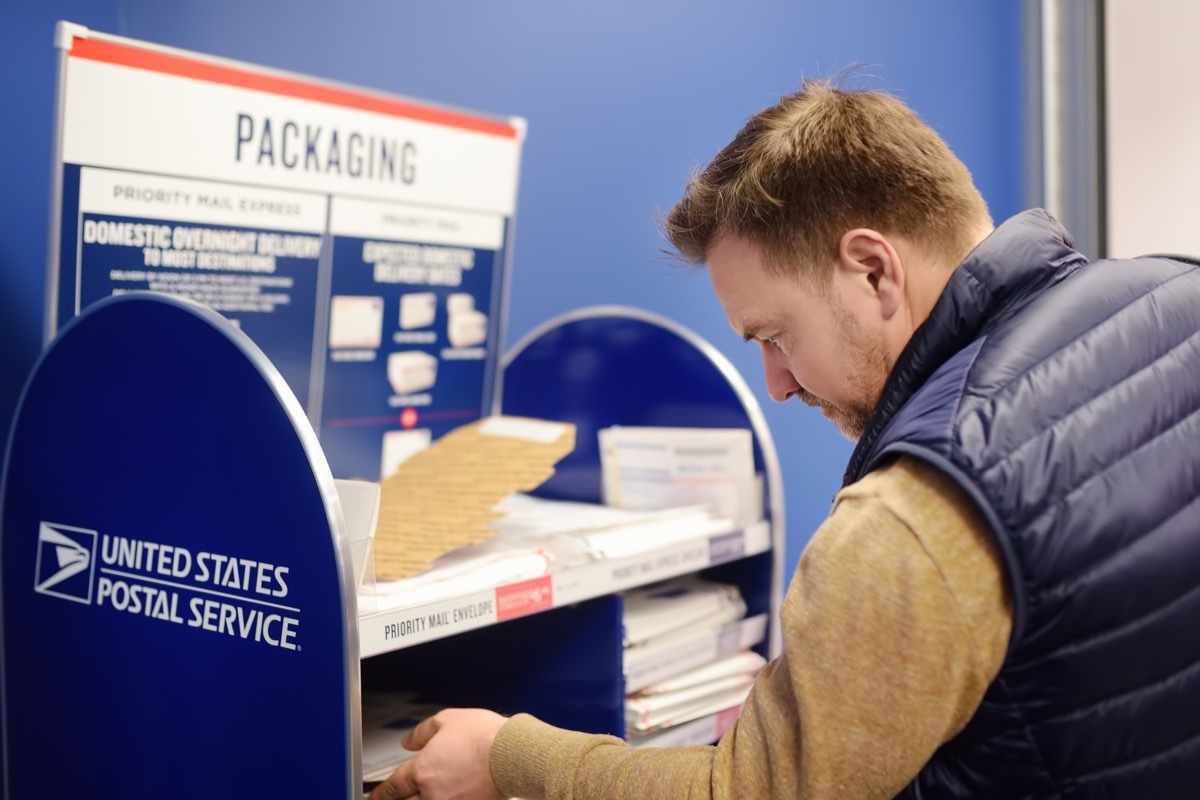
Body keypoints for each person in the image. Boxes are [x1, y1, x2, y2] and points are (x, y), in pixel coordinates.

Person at [369, 80, 1200, 799]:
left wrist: (508, 754)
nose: (777, 383)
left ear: (874, 270)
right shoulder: (1175, 298)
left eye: (774, 335)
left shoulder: (912, 518)